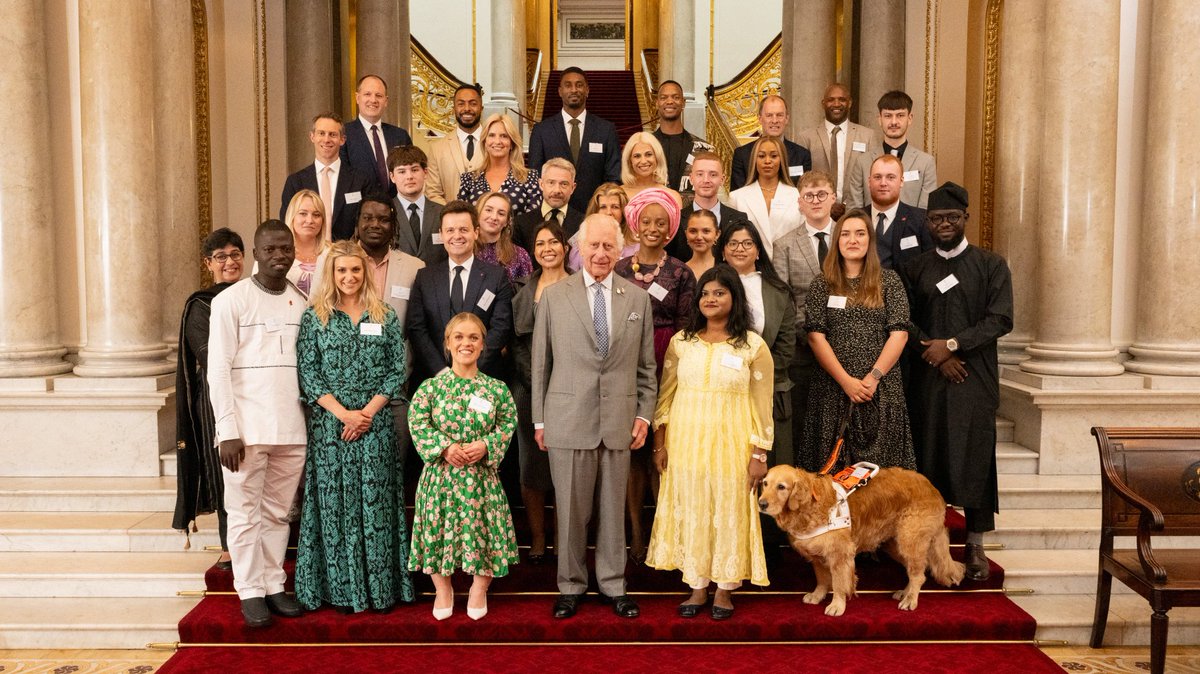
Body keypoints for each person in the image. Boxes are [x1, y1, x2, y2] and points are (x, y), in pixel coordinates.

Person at [532, 213, 657, 620]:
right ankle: (570, 585)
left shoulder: (637, 299)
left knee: (612, 510)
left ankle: (613, 584)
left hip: (620, 419)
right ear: (578, 249)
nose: (601, 253)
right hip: (566, 418)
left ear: (620, 250)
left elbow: (646, 368)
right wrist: (539, 420)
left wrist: (644, 414)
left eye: (608, 246)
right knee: (569, 511)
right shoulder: (553, 296)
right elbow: (540, 365)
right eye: (593, 246)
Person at [899, 182, 1013, 581]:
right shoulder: (916, 267)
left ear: (966, 218)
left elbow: (1000, 319)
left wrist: (952, 346)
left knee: (975, 458)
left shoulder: (991, 265)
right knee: (930, 458)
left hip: (973, 378)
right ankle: (932, 544)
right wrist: (933, 353)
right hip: (928, 379)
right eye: (936, 219)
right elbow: (902, 320)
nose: (944, 224)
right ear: (926, 222)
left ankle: (976, 545)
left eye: (951, 217)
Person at [647, 264, 774, 620]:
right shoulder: (681, 343)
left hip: (732, 442)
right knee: (694, 506)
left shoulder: (753, 346)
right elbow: (665, 397)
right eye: (705, 293)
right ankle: (697, 586)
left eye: (719, 293)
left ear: (735, 298)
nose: (710, 299)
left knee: (728, 508)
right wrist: (660, 444)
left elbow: (761, 404)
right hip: (686, 440)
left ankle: (724, 589)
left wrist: (759, 453)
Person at [295, 240, 414, 613]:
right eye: (341, 270)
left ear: (366, 273)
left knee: (375, 506)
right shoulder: (315, 316)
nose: (349, 277)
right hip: (330, 427)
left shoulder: (385, 316)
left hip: (375, 425)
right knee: (334, 506)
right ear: (331, 273)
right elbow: (308, 373)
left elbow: (398, 369)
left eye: (355, 270)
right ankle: (342, 592)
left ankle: (380, 590)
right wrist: (343, 414)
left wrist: (366, 412)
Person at [207, 219, 308, 628]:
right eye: (270, 249)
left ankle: (272, 584)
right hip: (245, 431)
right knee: (244, 511)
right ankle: (248, 589)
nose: (279, 256)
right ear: (255, 253)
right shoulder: (230, 301)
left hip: (291, 428)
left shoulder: (301, 301)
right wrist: (227, 430)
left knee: (278, 513)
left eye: (285, 249)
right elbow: (218, 369)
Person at [408, 312, 519, 621]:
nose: (466, 343)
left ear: (483, 345)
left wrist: (487, 444)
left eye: (473, 338)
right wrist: (444, 447)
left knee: (483, 530)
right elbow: (417, 422)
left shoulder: (497, 389)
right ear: (448, 343)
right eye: (459, 337)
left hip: (480, 478)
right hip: (441, 478)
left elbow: (508, 423)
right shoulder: (430, 388)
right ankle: (443, 590)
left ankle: (478, 588)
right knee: (436, 531)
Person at [613, 187, 696, 562]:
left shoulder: (681, 272)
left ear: (670, 229)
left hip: (667, 361)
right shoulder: (617, 268)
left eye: (660, 223)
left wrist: (674, 371)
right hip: (624, 364)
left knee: (664, 454)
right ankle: (636, 534)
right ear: (634, 225)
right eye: (645, 221)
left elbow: (685, 327)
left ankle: (667, 535)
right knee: (633, 454)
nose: (652, 228)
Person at [800, 209, 914, 473]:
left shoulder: (889, 281)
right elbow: (816, 336)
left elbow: (900, 333)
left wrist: (872, 378)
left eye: (860, 234)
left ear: (870, 241)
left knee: (883, 481)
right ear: (837, 241)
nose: (853, 240)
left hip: (880, 389)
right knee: (831, 477)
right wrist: (846, 382)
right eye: (846, 234)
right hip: (833, 389)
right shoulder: (822, 284)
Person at [173, 228, 245, 571]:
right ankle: (229, 546)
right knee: (224, 472)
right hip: (215, 400)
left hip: (255, 393)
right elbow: (208, 353)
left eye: (235, 254)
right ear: (209, 263)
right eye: (221, 257)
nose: (229, 262)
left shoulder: (254, 294)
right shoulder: (201, 304)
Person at [511, 221, 572, 564]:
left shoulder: (581, 285)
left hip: (571, 389)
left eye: (553, 241)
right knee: (531, 465)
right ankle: (537, 537)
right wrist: (536, 383)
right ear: (533, 251)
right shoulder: (521, 289)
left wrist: (560, 383)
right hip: (527, 386)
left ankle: (566, 536)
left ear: (565, 247)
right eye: (540, 243)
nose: (547, 248)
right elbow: (516, 343)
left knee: (567, 466)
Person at [406, 201, 514, 383]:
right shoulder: (425, 277)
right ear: (441, 234)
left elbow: (501, 327)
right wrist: (442, 373)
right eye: (450, 230)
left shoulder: (496, 277)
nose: (457, 236)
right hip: (434, 379)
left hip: (483, 377)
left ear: (476, 232)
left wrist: (470, 368)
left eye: (464, 230)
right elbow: (417, 328)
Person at [771, 170, 837, 467]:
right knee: (805, 421)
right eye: (809, 196)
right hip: (803, 348)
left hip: (847, 345)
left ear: (833, 198)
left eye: (821, 194)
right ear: (799, 202)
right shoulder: (784, 244)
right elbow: (783, 299)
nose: (815, 201)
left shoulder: (848, 236)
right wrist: (810, 333)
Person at [715, 221, 796, 454]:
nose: (740, 248)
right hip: (722, 391)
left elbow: (786, 348)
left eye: (747, 243)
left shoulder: (779, 292)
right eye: (733, 243)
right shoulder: (711, 288)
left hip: (770, 389)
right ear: (723, 251)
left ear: (758, 250)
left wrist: (754, 375)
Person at [527, 67, 622, 213]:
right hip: (554, 213)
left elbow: (613, 177)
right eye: (568, 85)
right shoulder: (541, 130)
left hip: (594, 213)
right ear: (560, 91)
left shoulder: (606, 130)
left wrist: (602, 206)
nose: (574, 89)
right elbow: (536, 175)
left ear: (587, 90)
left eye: (579, 85)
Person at [280, 113, 372, 241]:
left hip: (348, 255)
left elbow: (367, 222)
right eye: (321, 133)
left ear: (342, 140)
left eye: (333, 134)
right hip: (308, 255)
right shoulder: (295, 182)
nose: (327, 139)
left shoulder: (360, 180)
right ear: (312, 137)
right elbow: (287, 222)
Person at [844, 90, 938, 210]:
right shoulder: (863, 162)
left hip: (912, 228)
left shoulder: (925, 163)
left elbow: (926, 211)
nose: (894, 122)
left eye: (900, 115)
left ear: (910, 118)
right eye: (888, 116)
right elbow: (854, 210)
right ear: (879, 119)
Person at [796, 84, 881, 203]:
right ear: (823, 103)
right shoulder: (806, 138)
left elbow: (873, 178)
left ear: (850, 103)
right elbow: (802, 182)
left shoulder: (868, 136)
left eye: (842, 100)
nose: (836, 104)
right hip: (818, 207)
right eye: (831, 100)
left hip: (856, 208)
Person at [668, 152, 750, 262]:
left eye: (713, 174)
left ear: (722, 179)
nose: (706, 180)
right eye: (700, 174)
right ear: (691, 179)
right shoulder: (675, 220)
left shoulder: (739, 219)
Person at [340, 74, 414, 195]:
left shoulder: (400, 136)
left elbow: (411, 172)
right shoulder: (344, 134)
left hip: (396, 210)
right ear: (357, 98)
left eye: (378, 95)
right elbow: (343, 178)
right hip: (360, 210)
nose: (373, 100)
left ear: (386, 101)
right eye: (367, 94)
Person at [729, 136, 802, 258]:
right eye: (762, 156)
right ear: (754, 160)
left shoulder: (796, 196)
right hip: (750, 268)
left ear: (782, 159)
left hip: (789, 267)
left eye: (774, 156)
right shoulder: (737, 197)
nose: (767, 161)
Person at [457, 113, 542, 216]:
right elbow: (461, 219)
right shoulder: (468, 179)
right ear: (485, 141)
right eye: (492, 135)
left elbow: (532, 220)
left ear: (512, 143)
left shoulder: (530, 177)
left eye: (504, 136)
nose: (497, 141)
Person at [864, 154, 933, 270]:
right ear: (869, 181)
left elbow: (929, 267)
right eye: (877, 177)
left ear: (901, 181)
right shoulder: (856, 219)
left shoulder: (921, 220)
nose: (883, 183)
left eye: (890, 177)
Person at [730, 95, 813, 190]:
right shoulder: (742, 155)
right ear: (760, 119)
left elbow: (805, 193)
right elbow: (738, 196)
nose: (774, 120)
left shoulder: (802, 155)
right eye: (769, 115)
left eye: (779, 115)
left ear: (786, 119)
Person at [652, 80, 715, 195]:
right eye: (664, 97)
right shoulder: (646, 147)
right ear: (657, 103)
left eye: (675, 97)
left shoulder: (703, 150)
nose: (670, 101)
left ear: (683, 103)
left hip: (693, 212)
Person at [425, 83, 485, 204]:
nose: (467, 108)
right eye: (461, 104)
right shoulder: (437, 149)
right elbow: (433, 193)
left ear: (481, 108)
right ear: (454, 109)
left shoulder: (495, 144)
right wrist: (454, 216)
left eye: (473, 103)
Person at [514, 158, 585, 257]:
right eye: (551, 183)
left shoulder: (584, 224)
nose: (557, 190)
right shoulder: (520, 224)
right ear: (541, 184)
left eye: (564, 184)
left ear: (573, 188)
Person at [389, 145, 447, 264]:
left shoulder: (442, 213)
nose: (409, 176)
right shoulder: (385, 212)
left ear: (425, 172)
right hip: (398, 281)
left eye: (415, 170)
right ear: (392, 177)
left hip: (435, 280)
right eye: (402, 171)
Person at [569, 183, 638, 270]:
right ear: (595, 211)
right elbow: (572, 279)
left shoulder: (636, 246)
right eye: (603, 207)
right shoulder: (579, 243)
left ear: (623, 211)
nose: (609, 212)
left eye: (615, 207)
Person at [273, 190, 327, 295]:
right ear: (292, 216)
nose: (310, 220)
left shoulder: (333, 253)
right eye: (303, 213)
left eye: (316, 215)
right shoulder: (272, 252)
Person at [475, 191, 533, 284]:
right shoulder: (463, 249)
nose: (494, 217)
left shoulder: (519, 255)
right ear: (477, 213)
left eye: (501, 213)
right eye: (488, 210)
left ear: (507, 221)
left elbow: (526, 293)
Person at [620, 131, 683, 206]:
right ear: (629, 161)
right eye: (637, 156)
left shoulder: (672, 197)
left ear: (657, 157)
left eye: (648, 154)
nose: (643, 161)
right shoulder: (618, 194)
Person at [683, 209, 719, 280]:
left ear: (717, 234)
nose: (699, 237)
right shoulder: (678, 271)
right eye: (693, 231)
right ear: (686, 233)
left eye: (706, 231)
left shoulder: (727, 269)